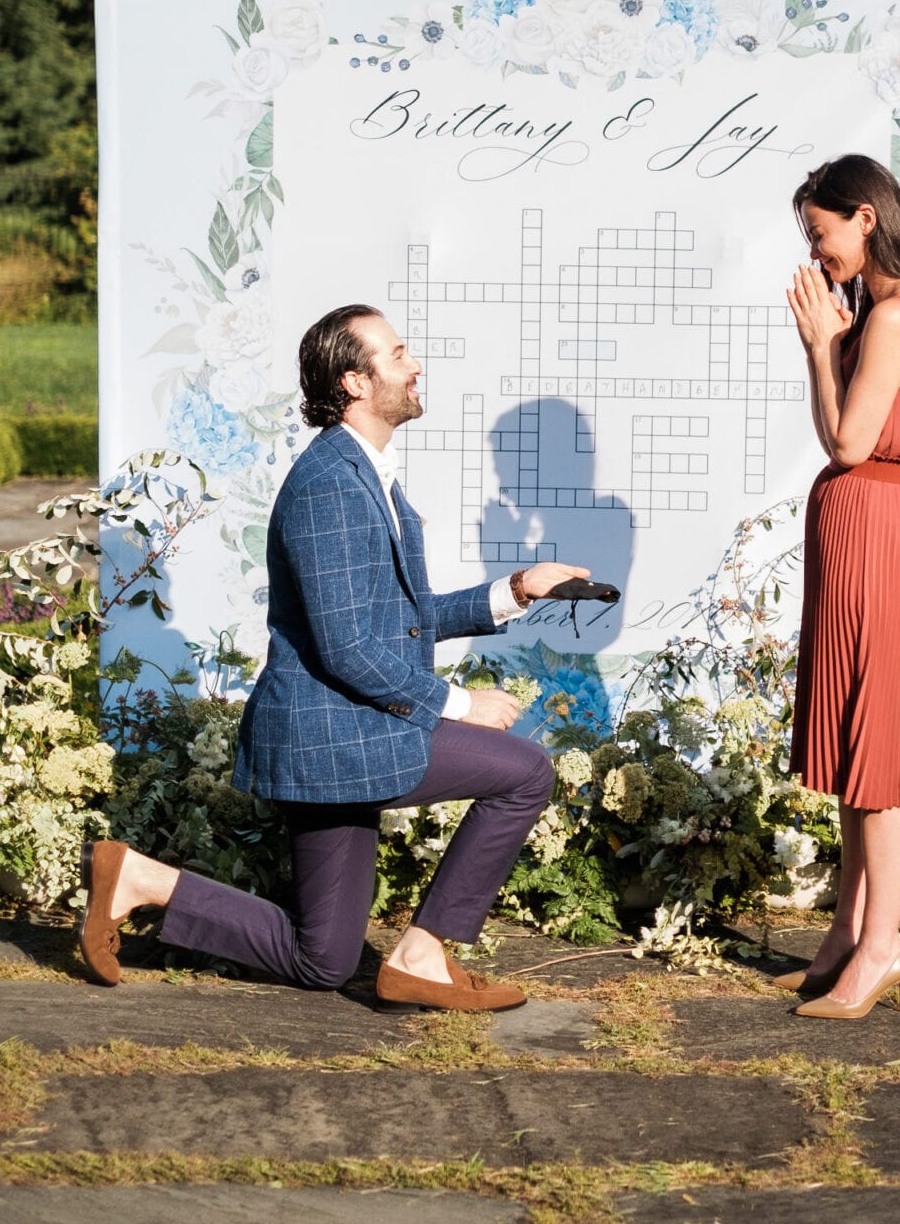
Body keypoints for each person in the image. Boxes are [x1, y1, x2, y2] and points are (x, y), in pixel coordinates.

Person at [79, 302, 590, 1010]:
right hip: (334, 738)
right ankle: (422, 955)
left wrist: (513, 591)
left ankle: (139, 879)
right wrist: (459, 705)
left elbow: (391, 622)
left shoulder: (365, 477)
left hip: (344, 735)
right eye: (399, 354)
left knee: (322, 959)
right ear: (354, 381)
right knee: (526, 773)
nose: (416, 366)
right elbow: (347, 647)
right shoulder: (329, 485)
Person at [776, 156, 900, 1020]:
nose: (817, 251)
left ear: (865, 220)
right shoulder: (880, 313)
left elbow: (846, 444)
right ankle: (849, 933)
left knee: (878, 745)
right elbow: (836, 439)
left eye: (822, 232)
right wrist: (828, 347)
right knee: (854, 735)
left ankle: (882, 948)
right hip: (857, 529)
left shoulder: (891, 316)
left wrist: (820, 346)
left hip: (875, 531)